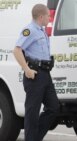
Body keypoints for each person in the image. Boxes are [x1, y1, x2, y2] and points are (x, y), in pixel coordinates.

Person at [13, 4, 60, 141]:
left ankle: (34, 138)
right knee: (32, 112)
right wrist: (26, 69)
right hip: (35, 75)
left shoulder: (41, 31)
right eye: (48, 16)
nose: (49, 18)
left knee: (54, 107)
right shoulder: (30, 30)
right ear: (41, 17)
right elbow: (17, 50)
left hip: (45, 74)